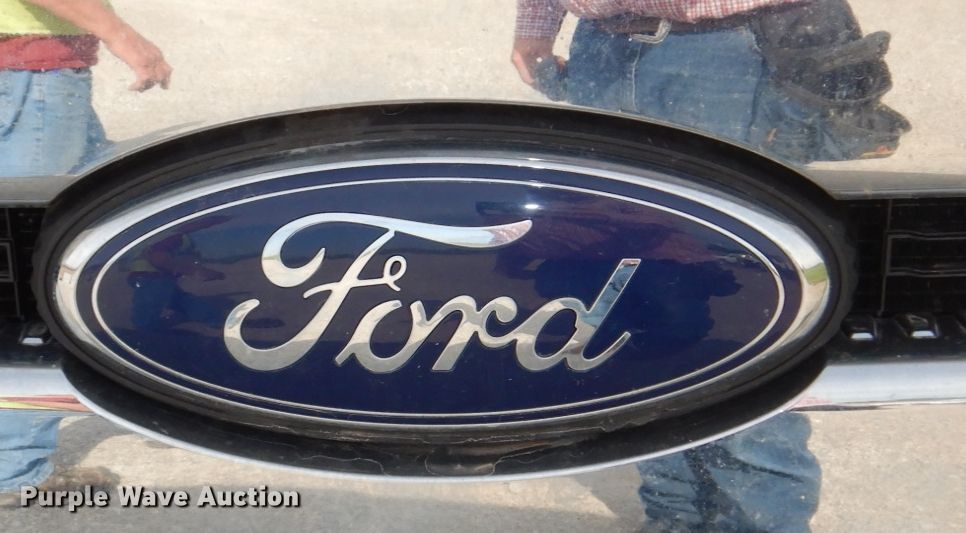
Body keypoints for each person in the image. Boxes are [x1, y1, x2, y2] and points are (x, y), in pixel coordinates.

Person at [510, 2, 825, 530]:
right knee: (623, 315)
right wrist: (536, 23)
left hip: (727, 52)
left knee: (744, 324)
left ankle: (759, 522)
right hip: (600, 50)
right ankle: (673, 512)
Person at [0, 0, 169, 501]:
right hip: (30, 73)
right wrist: (119, 33)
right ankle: (12, 467)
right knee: (39, 270)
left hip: (33, 72)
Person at [0, 0, 172, 177]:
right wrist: (119, 34)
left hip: (38, 72)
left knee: (93, 182)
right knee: (40, 187)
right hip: (33, 70)